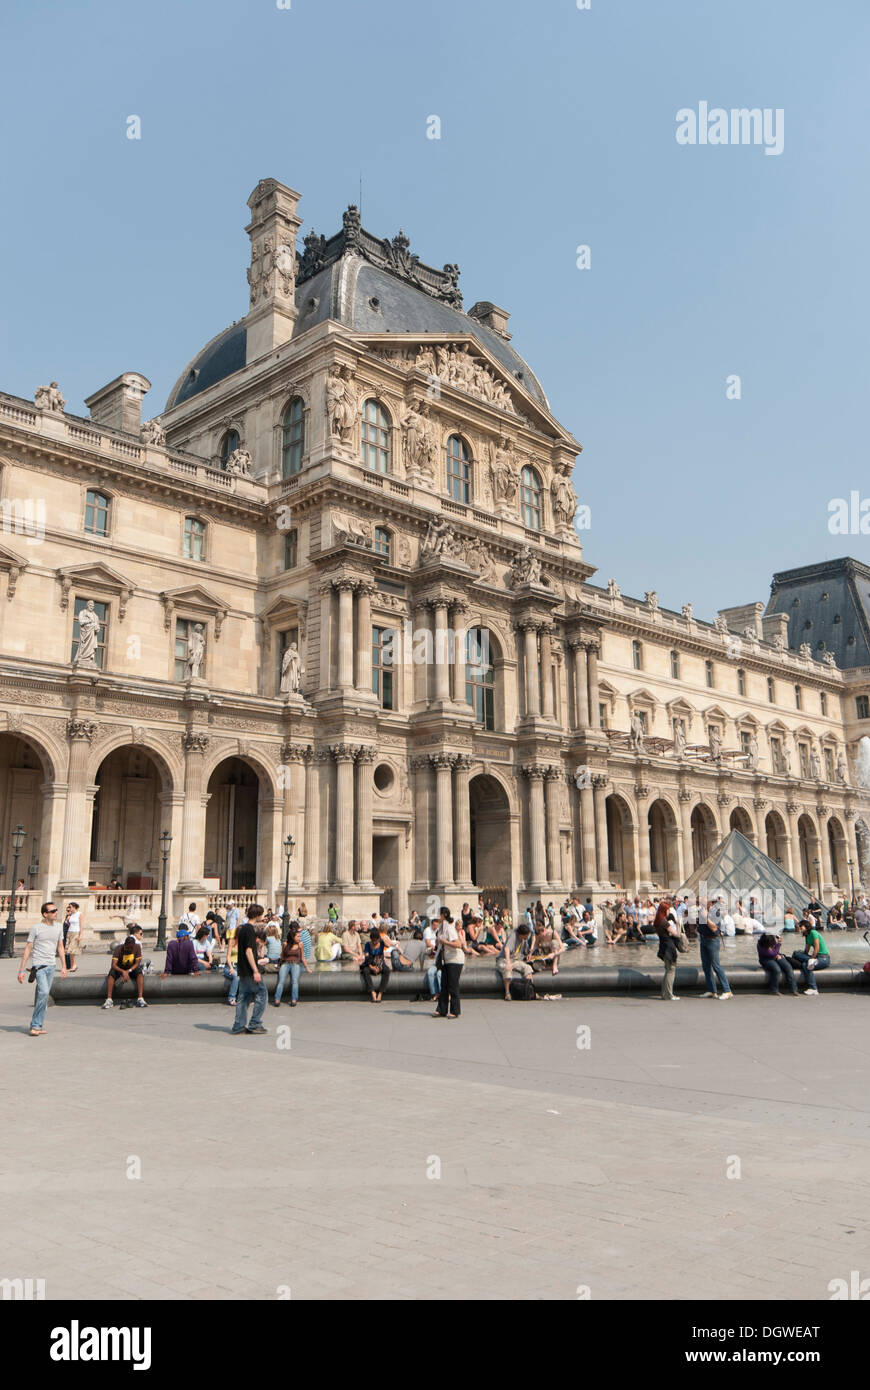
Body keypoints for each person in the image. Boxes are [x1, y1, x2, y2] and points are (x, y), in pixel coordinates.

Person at [17, 902, 67, 1034]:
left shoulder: (58, 927)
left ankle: (38, 1025)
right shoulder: (36, 928)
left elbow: (60, 947)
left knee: (44, 997)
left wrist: (64, 966)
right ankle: (35, 1025)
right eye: (53, 911)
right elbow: (28, 948)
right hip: (39, 966)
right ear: (45, 914)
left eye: (56, 910)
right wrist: (21, 970)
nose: (56, 912)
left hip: (51, 965)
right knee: (43, 993)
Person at [232, 904, 268, 1033]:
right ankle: (255, 1023)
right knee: (262, 994)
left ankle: (239, 1026)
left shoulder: (242, 929)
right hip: (249, 970)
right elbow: (248, 951)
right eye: (261, 914)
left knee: (243, 997)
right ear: (257, 915)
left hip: (242, 969)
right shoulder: (250, 930)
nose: (262, 917)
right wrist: (256, 970)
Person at [697, 900, 732, 1000]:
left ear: (710, 904)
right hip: (703, 940)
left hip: (712, 941)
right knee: (706, 966)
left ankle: (727, 990)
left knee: (716, 966)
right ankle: (712, 990)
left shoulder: (716, 914)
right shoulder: (701, 911)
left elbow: (714, 928)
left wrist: (706, 918)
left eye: (704, 903)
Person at [434, 908, 465, 1018]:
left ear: (443, 915)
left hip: (455, 960)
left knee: (453, 986)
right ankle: (442, 1010)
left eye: (439, 914)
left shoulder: (450, 928)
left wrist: (444, 942)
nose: (438, 916)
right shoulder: (442, 927)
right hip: (446, 960)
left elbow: (458, 944)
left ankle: (455, 1011)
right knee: (444, 985)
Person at [104, 931, 147, 1007]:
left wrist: (128, 971)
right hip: (120, 968)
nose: (130, 949)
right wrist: (123, 972)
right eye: (128, 947)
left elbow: (137, 963)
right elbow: (113, 965)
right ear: (124, 945)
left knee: (140, 973)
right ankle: (109, 999)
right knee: (111, 973)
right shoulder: (118, 948)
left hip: (131, 968)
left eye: (131, 948)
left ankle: (140, 998)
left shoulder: (137, 947)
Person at [274, 923, 311, 1006]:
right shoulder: (285, 944)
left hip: (295, 964)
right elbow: (282, 956)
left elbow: (302, 958)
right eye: (298, 936)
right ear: (292, 937)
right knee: (281, 981)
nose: (299, 938)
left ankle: (294, 999)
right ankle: (277, 999)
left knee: (294, 981)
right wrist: (279, 965)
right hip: (286, 964)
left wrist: (307, 968)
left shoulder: (300, 945)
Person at [790, 918, 830, 995]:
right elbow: (806, 951)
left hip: (824, 958)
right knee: (797, 954)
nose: (800, 929)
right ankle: (813, 988)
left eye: (801, 927)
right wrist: (803, 956)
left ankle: (813, 988)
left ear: (806, 926)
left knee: (805, 963)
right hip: (816, 957)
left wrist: (811, 958)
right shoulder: (807, 936)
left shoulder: (813, 932)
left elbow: (817, 948)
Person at [497, 922, 534, 999]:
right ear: (521, 934)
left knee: (528, 968)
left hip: (515, 960)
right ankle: (507, 993)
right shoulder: (513, 936)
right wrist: (508, 963)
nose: (528, 937)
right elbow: (507, 949)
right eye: (526, 935)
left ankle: (530, 990)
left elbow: (526, 951)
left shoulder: (524, 939)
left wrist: (529, 954)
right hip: (504, 959)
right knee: (507, 970)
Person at [654, 901, 680, 1001]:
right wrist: (678, 924)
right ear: (665, 910)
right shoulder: (664, 922)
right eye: (668, 909)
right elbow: (676, 934)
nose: (669, 911)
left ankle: (664, 993)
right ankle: (669, 994)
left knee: (668, 970)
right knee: (671, 971)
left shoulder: (657, 921)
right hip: (669, 948)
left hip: (663, 947)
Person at [360, 927, 390, 1003]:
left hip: (380, 962)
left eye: (375, 940)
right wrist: (372, 967)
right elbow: (366, 958)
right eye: (372, 940)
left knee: (387, 970)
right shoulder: (367, 944)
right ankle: (372, 992)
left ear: (378, 939)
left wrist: (383, 939)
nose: (374, 942)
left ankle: (380, 993)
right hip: (370, 963)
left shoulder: (382, 943)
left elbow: (389, 945)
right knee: (365, 971)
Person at [63, 901, 82, 972]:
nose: (69, 908)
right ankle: (72, 966)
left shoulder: (79, 914)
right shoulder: (71, 914)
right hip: (69, 932)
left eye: (70, 907)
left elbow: (81, 925)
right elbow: (68, 924)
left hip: (76, 932)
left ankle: (74, 965)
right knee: (68, 950)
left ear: (74, 907)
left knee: (72, 950)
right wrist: (67, 919)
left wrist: (80, 935)